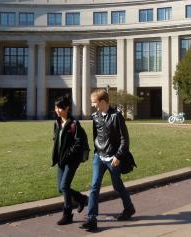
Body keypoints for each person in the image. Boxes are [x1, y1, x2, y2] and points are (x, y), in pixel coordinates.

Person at [80, 89, 136, 231]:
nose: (92, 105)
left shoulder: (117, 116)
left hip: (113, 158)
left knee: (117, 186)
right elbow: (96, 136)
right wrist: (97, 153)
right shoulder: (95, 116)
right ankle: (91, 219)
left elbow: (125, 140)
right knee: (94, 187)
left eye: (94, 102)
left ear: (103, 102)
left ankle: (129, 208)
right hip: (99, 157)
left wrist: (118, 156)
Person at [51, 95, 88, 225]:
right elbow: (56, 140)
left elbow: (79, 143)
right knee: (61, 188)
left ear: (67, 108)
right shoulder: (57, 123)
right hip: (61, 160)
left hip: (71, 160)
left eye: (60, 108)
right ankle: (81, 198)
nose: (57, 110)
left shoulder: (74, 124)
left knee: (64, 186)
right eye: (56, 108)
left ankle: (67, 214)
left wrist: (67, 154)